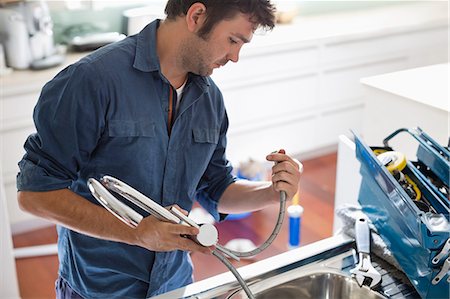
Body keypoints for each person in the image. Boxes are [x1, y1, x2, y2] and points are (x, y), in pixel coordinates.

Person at [16, 1, 302, 298]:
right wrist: (136, 233)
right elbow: (35, 194)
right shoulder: (92, 80)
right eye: (233, 40)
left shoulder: (209, 100)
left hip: (174, 284)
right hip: (97, 289)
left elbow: (217, 188)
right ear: (197, 16)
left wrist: (270, 192)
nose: (235, 56)